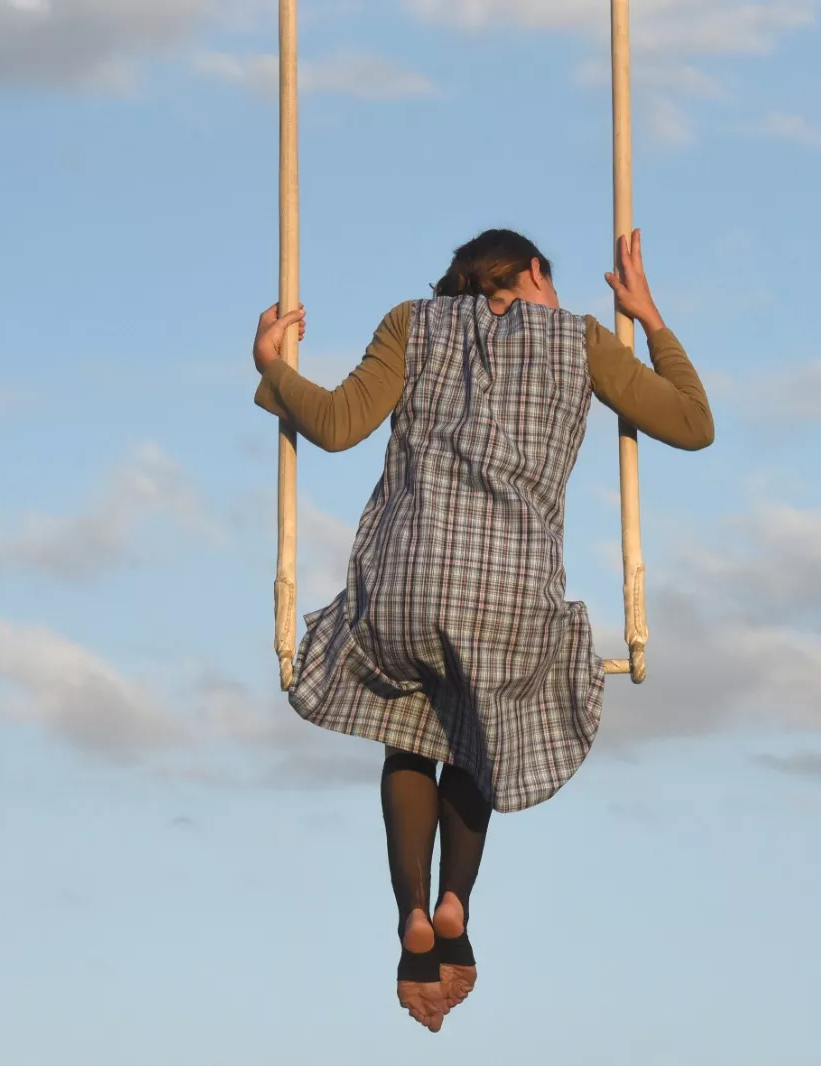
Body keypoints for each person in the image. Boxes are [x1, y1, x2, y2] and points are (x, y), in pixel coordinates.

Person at [250, 228, 714, 1032]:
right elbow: (692, 423)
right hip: (511, 593)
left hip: (408, 582)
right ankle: (456, 899)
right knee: (478, 726)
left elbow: (334, 424)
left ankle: (412, 921)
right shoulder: (580, 341)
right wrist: (653, 319)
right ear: (535, 273)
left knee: (409, 729)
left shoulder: (412, 323)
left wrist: (273, 369)